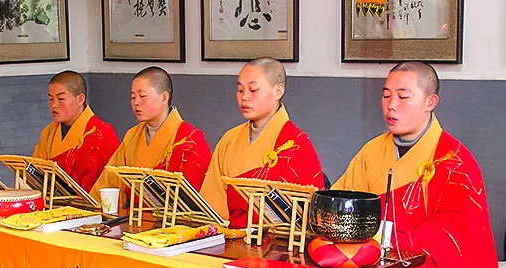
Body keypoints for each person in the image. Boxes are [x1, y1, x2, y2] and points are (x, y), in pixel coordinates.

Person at [333, 61, 506, 268]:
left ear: (430, 102)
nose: (391, 106)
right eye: (386, 96)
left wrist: (389, 242)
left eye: (403, 96)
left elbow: (455, 235)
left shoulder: (454, 161)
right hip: (375, 264)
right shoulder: (373, 151)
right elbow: (346, 203)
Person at [200, 57, 324, 228]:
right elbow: (212, 204)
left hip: (278, 247)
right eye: (240, 90)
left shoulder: (296, 145)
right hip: (230, 239)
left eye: (253, 89)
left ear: (278, 91)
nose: (245, 97)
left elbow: (305, 218)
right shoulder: (229, 139)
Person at [90, 66, 212, 208]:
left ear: (164, 97)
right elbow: (109, 183)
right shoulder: (132, 136)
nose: (136, 102)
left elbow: (191, 202)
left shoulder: (189, 139)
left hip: (170, 223)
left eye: (142, 96)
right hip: (131, 219)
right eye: (132, 97)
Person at [33, 70, 120, 192]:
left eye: (61, 99)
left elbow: (102, 184)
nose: (54, 105)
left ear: (80, 99)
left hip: (87, 206)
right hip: (51, 204)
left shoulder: (100, 133)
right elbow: (36, 174)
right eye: (51, 99)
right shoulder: (49, 132)